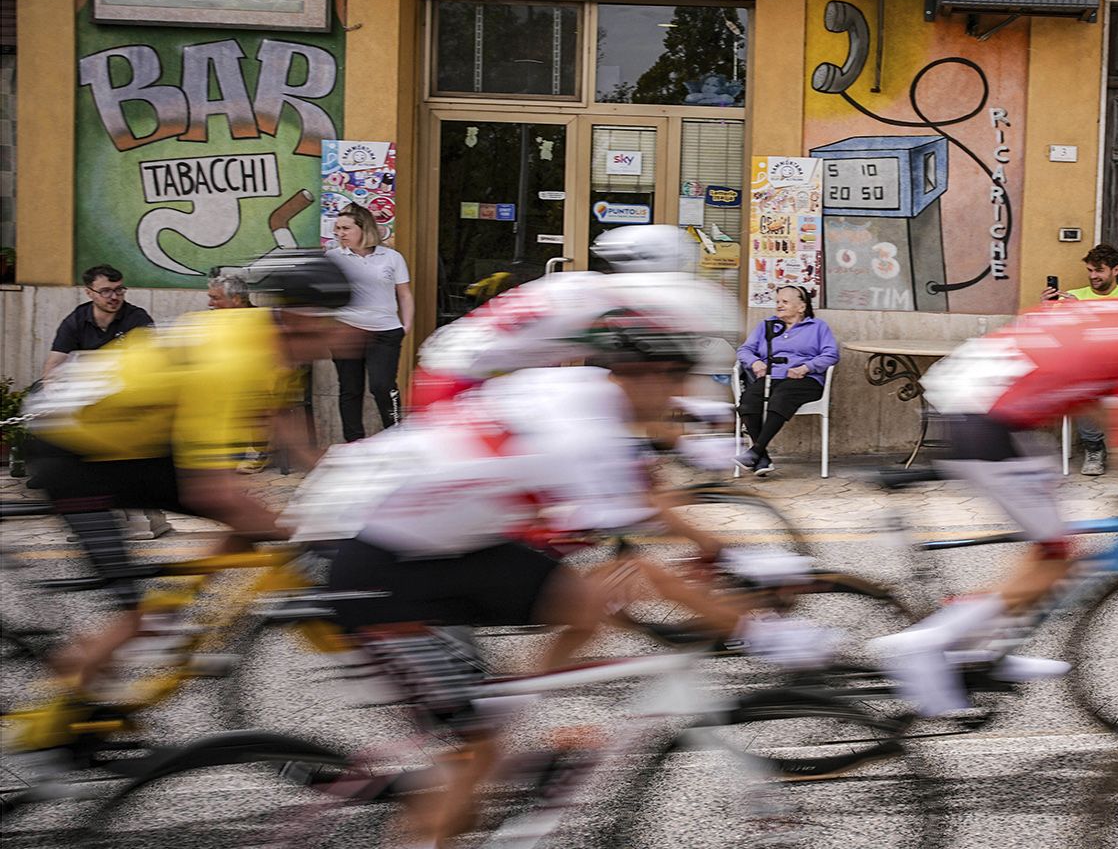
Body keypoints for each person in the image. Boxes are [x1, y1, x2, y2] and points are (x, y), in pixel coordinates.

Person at [291, 313, 837, 849]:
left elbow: (636, 475)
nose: (678, 396)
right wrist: (755, 622)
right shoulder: (584, 438)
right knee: (480, 755)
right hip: (378, 568)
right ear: (644, 375)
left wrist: (707, 507)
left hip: (438, 542)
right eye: (677, 382)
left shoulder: (583, 385)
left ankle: (505, 708)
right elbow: (638, 532)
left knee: (582, 604)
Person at [867, 241, 1118, 717]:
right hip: (987, 421)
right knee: (1056, 557)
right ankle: (928, 645)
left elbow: (1099, 397)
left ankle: (981, 651)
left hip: (979, 401)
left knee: (1050, 536)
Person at [20, 253, 358, 694]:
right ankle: (50, 718)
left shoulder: (267, 338)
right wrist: (301, 534)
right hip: (73, 449)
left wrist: (337, 477)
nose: (345, 333)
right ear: (298, 320)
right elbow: (211, 489)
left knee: (248, 520)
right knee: (137, 615)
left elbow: (281, 416)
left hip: (129, 439)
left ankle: (180, 608)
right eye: (334, 321)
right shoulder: (234, 361)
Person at [409, 224, 716, 409]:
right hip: (458, 385)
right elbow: (635, 381)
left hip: (451, 373)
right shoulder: (611, 302)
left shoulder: (581, 284)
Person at [42, 264, 167, 540]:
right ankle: (94, 516)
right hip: (89, 406)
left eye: (119, 289)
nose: (114, 297)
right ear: (89, 293)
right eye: (106, 291)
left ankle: (143, 514)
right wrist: (54, 392)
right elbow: (53, 365)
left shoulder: (137, 319)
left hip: (131, 403)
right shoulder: (76, 320)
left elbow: (153, 367)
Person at [1042, 244, 1118, 475]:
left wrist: (1083, 313)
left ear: (1115, 270)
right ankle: (1094, 448)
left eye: (1099, 270)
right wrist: (1047, 309)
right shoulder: (1074, 297)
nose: (1093, 276)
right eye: (1090, 270)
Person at [327, 202, 412, 442]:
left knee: (383, 386)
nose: (340, 234)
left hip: (385, 332)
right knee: (350, 390)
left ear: (364, 228)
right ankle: (354, 443)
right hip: (346, 331)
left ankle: (397, 437)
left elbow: (404, 294)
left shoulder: (392, 257)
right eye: (337, 229)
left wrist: (406, 325)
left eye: (346, 228)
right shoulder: (332, 257)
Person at [734, 285, 839, 477]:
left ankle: (756, 452)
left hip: (805, 380)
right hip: (770, 377)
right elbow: (744, 350)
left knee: (781, 396)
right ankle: (761, 457)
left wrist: (806, 367)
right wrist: (755, 362)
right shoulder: (766, 325)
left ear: (801, 307)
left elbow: (831, 354)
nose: (779, 306)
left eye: (785, 302)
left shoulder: (818, 327)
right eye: (777, 302)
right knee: (748, 401)